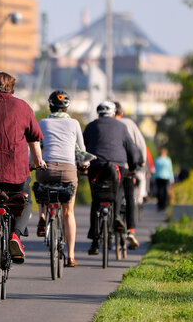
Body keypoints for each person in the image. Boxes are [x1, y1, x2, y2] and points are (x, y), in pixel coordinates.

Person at [0, 72, 45, 274]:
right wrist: (38, 161)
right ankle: (15, 235)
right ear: (11, 87)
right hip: (16, 172)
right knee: (26, 200)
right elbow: (34, 139)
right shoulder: (22, 106)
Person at [83, 101, 142, 255]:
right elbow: (132, 149)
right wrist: (133, 167)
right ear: (113, 112)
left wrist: (82, 166)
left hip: (95, 165)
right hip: (117, 166)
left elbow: (82, 148)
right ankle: (115, 217)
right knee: (117, 193)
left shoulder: (90, 126)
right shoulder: (121, 127)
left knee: (96, 200)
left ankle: (95, 242)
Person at [36, 90, 85, 267]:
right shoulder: (74, 124)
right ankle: (71, 256)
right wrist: (83, 164)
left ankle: (42, 214)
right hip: (68, 171)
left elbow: (37, 146)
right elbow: (81, 150)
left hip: (47, 169)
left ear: (50, 106)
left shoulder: (42, 123)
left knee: (40, 182)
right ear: (67, 107)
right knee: (68, 212)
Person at [114, 102, 146, 247]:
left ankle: (108, 228)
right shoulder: (129, 123)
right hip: (126, 167)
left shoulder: (102, 123)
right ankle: (131, 230)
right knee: (130, 197)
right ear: (121, 113)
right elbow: (140, 143)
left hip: (108, 167)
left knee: (112, 195)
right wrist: (143, 161)